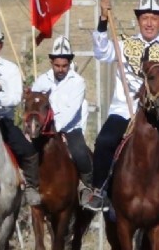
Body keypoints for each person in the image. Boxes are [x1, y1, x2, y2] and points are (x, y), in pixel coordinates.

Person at [84, 0, 159, 214]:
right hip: (125, 109)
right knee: (104, 141)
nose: (149, 23)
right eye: (144, 18)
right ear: (138, 19)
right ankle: (99, 189)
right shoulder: (124, 45)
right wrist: (103, 21)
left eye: (154, 18)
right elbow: (102, 52)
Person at [0, 17, 41, 206]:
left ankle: (31, 186)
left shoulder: (10, 69)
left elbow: (14, 98)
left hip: (2, 120)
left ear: (1, 45)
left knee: (27, 150)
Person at [31, 36, 93, 199]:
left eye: (64, 66)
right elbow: (33, 105)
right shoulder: (41, 81)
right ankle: (28, 185)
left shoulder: (78, 82)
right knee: (28, 152)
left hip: (70, 129)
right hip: (43, 130)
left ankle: (86, 187)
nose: (60, 69)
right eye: (57, 65)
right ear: (51, 63)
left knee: (81, 154)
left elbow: (71, 111)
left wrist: (55, 129)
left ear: (69, 63)